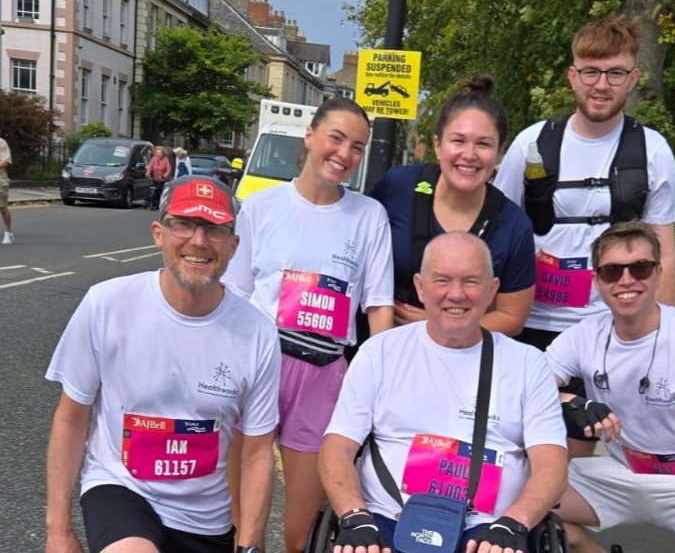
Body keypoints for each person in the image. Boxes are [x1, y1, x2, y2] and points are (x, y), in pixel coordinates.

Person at [44, 176, 280, 553]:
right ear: (159, 233)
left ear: (234, 246)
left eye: (214, 229)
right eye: (184, 224)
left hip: (205, 517)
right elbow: (72, 416)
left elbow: (256, 451)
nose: (198, 241)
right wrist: (58, 528)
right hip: (121, 486)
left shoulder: (258, 333)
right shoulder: (106, 304)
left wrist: (249, 544)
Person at [492, 16, 675, 446]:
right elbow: (498, 236)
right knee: (509, 441)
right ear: (572, 76)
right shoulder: (532, 144)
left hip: (605, 328)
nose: (602, 85)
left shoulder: (652, 151)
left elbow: (665, 253)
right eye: (591, 72)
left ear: (632, 78)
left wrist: (666, 341)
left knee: (572, 455)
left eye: (615, 73)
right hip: (527, 322)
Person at [319, 232, 568, 552]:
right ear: (421, 287)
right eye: (442, 280)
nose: (456, 294)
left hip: (488, 526)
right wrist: (354, 516)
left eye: (471, 281)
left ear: (492, 290)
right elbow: (337, 445)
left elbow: (552, 463)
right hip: (384, 518)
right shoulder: (379, 352)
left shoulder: (528, 363)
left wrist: (515, 522)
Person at [222, 97, 395, 553]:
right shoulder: (260, 207)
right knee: (243, 528)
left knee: (301, 533)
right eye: (336, 138)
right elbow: (234, 296)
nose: (344, 153)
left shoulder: (369, 216)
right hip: (259, 366)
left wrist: (380, 382)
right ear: (311, 136)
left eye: (357, 147)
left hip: (324, 373)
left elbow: (379, 307)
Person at [545, 221, 675, 553]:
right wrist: (572, 400)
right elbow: (522, 388)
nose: (626, 280)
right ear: (597, 280)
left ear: (659, 273)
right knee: (519, 504)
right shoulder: (584, 335)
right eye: (613, 271)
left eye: (639, 268)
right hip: (621, 472)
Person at [369, 74, 535, 336]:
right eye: (458, 141)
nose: (469, 155)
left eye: (483, 144)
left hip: (460, 360)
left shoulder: (514, 226)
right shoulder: (396, 187)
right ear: (437, 145)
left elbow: (512, 317)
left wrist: (436, 326)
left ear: (500, 152)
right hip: (378, 346)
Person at [0, 136, 13, 244]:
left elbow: (4, 162)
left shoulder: (1, 142)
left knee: (2, 207)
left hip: (0, 180)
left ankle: (8, 233)